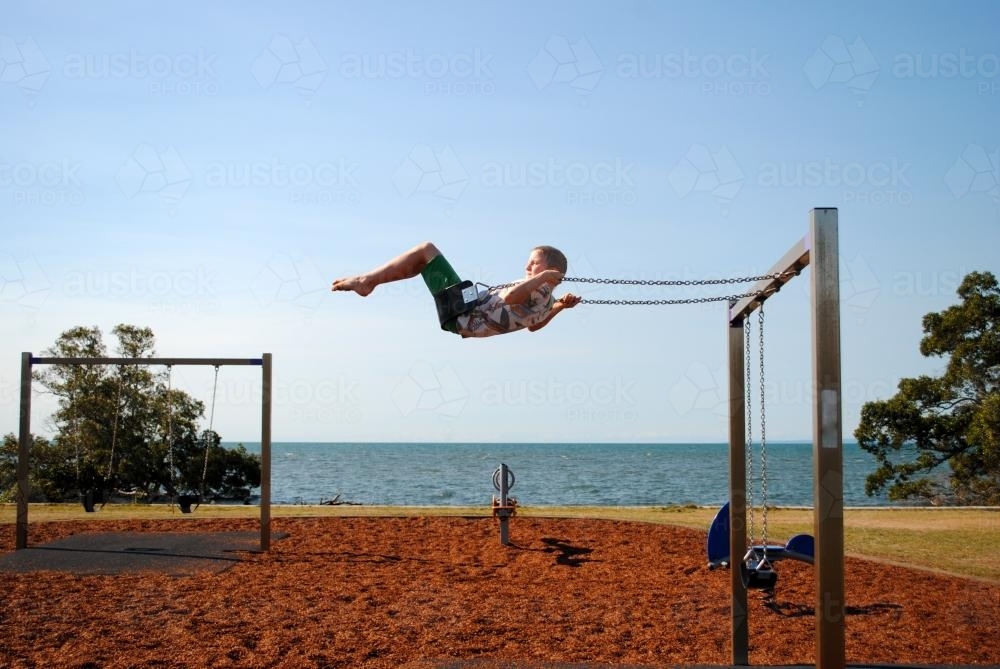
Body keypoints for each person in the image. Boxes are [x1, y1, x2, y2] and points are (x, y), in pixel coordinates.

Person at [331, 242, 581, 338]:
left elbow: (511, 297)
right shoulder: (547, 301)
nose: (527, 265)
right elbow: (534, 325)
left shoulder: (540, 290)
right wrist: (560, 307)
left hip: (465, 312)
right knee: (422, 262)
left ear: (552, 269)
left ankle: (367, 281)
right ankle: (369, 281)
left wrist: (546, 278)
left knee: (425, 251)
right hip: (464, 314)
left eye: (535, 262)